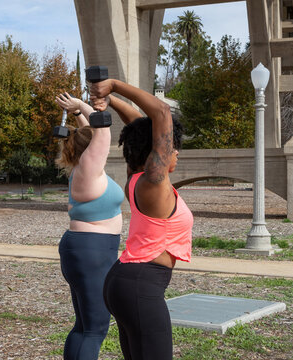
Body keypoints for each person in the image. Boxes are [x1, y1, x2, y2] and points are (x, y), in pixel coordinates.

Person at [89, 81, 193, 360]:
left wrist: (111, 101)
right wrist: (114, 86)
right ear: (156, 154)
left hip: (127, 281)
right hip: (139, 284)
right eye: (172, 147)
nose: (176, 152)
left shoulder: (136, 179)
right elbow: (160, 113)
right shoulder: (153, 184)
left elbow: (139, 126)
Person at [54, 92, 124, 360]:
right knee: (95, 329)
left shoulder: (85, 169)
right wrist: (80, 104)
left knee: (84, 326)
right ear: (91, 149)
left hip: (87, 249)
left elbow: (90, 132)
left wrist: (76, 113)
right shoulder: (88, 168)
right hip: (92, 251)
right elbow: (102, 132)